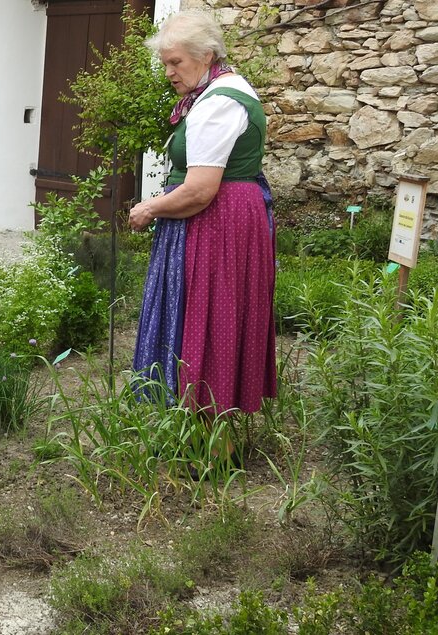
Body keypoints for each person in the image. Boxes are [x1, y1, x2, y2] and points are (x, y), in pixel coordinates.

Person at [129, 10, 276, 422]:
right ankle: (204, 435)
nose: (170, 73)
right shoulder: (219, 91)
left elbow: (198, 191)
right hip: (226, 218)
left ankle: (211, 444)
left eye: (176, 62)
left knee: (209, 319)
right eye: (165, 64)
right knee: (210, 318)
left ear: (207, 54)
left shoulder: (219, 103)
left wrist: (149, 207)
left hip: (216, 224)